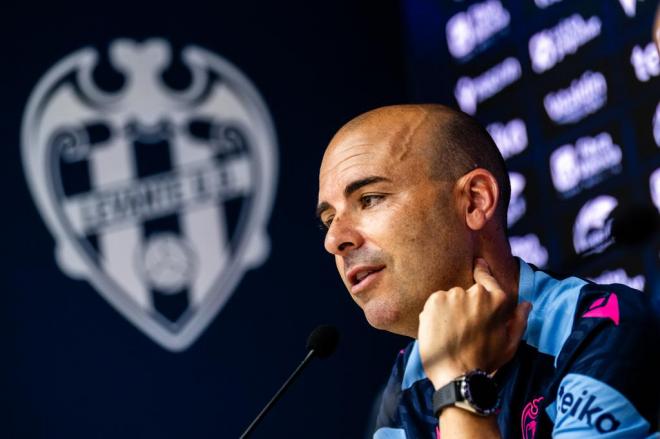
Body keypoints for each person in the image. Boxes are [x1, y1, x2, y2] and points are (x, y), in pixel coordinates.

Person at [316, 104, 660, 438]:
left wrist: (458, 384)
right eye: (329, 220)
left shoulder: (601, 330)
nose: (334, 239)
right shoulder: (411, 373)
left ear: (474, 201)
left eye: (370, 199)